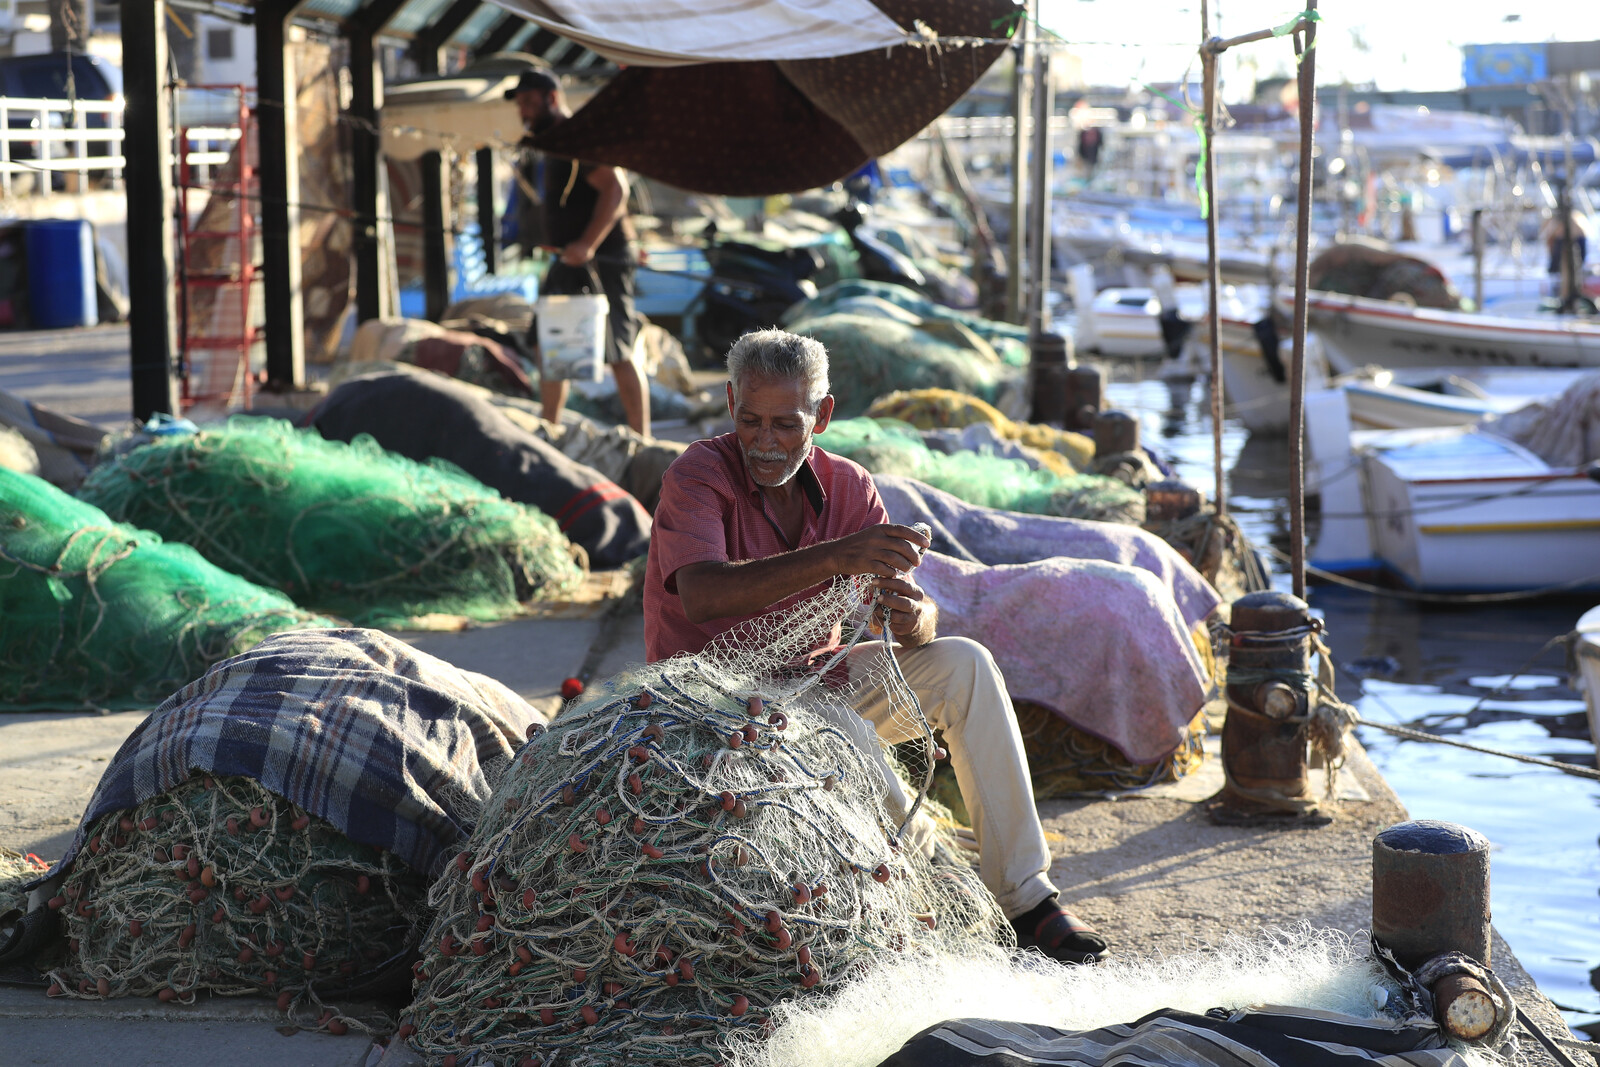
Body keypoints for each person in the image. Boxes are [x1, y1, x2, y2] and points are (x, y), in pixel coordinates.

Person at [642, 328, 1111, 967]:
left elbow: (904, 616)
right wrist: (838, 556)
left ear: (823, 416)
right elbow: (702, 595)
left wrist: (915, 617)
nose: (764, 440)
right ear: (729, 403)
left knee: (965, 665)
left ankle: (1027, 899)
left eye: (785, 423)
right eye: (750, 419)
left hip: (818, 679)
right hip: (710, 699)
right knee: (839, 728)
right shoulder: (696, 474)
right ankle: (943, 886)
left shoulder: (850, 486)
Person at [507, 69, 650, 436]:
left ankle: (642, 436)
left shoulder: (579, 139)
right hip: (565, 259)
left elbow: (615, 190)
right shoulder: (549, 144)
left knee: (618, 348)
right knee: (547, 343)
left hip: (605, 260)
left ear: (552, 99)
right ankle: (550, 428)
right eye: (519, 103)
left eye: (528, 102)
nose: (522, 110)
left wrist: (587, 243)